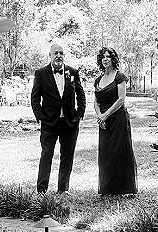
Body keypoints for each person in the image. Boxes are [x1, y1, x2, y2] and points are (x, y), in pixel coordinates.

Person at [31, 43, 86, 193]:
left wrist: (80, 113)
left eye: (61, 53)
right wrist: (40, 117)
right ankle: (42, 190)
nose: (58, 56)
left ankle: (63, 189)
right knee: (46, 155)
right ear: (50, 55)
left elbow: (81, 94)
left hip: (70, 122)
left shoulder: (73, 72)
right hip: (49, 122)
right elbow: (35, 98)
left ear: (64, 56)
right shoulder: (41, 73)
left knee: (67, 155)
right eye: (55, 53)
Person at [93, 46, 137, 196]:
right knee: (106, 152)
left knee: (119, 150)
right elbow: (96, 101)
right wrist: (100, 116)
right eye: (103, 57)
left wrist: (106, 115)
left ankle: (124, 188)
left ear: (113, 59)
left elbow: (121, 99)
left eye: (108, 56)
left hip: (117, 117)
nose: (105, 59)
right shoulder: (98, 79)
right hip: (103, 121)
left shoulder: (119, 77)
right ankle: (107, 188)